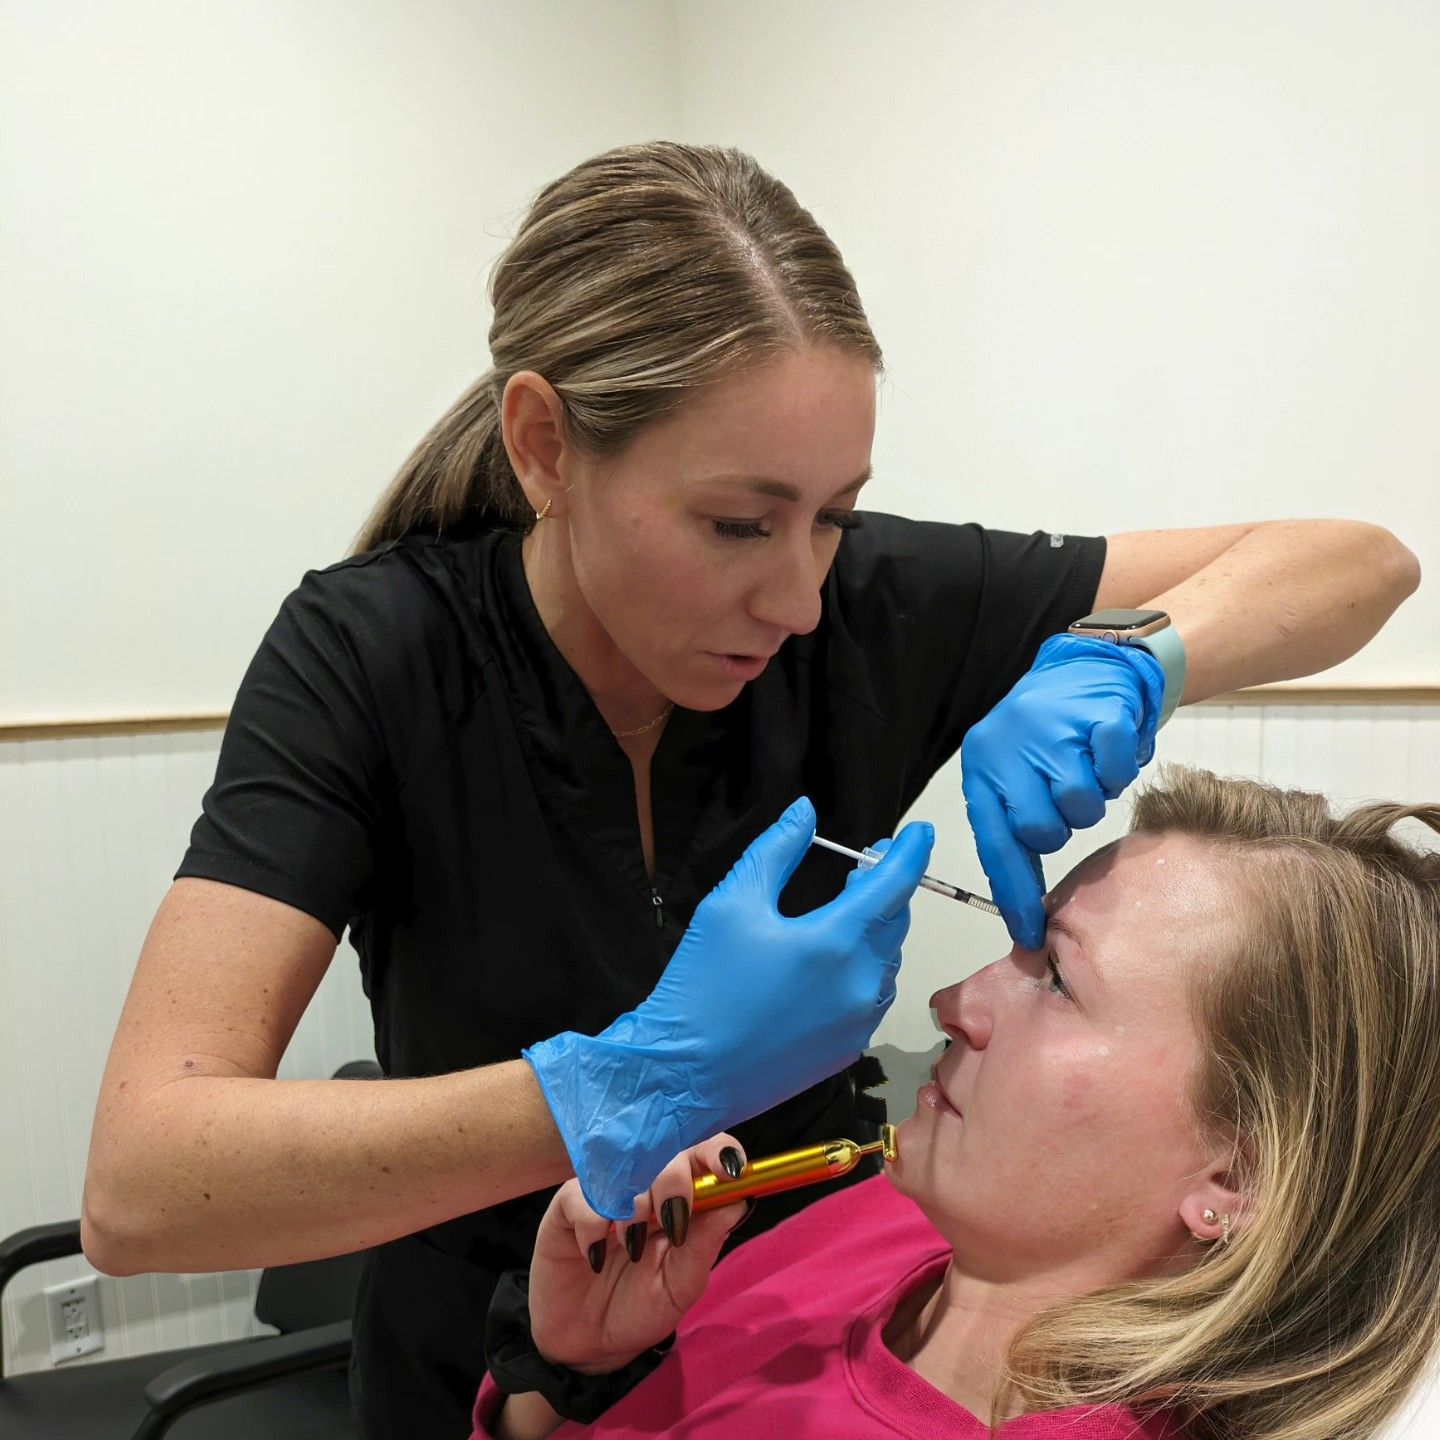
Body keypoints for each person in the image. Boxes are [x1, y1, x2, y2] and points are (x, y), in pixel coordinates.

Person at [80, 142, 1419, 1440]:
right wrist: (631, 1086)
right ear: (544, 446)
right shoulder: (375, 658)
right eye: (739, 523)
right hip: (507, 1366)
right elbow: (143, 1189)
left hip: (796, 1312)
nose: (797, 597)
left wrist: (1137, 654)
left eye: (834, 513)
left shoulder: (869, 604)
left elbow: (1358, 563)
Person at [476, 767, 1440, 1440]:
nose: (951, 1003)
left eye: (1056, 978)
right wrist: (569, 1378)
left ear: (1240, 1173)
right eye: (1019, 948)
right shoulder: (888, 1215)